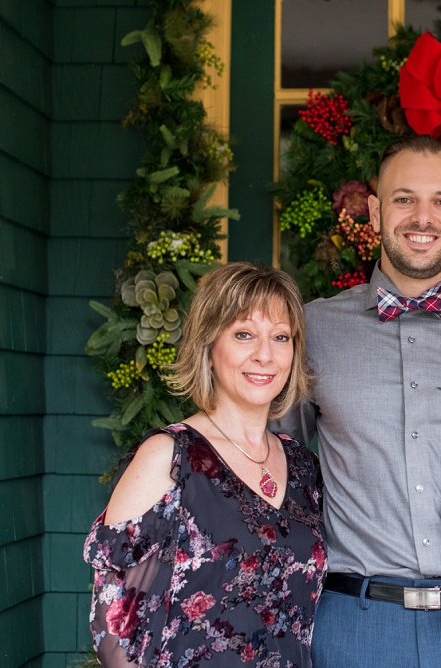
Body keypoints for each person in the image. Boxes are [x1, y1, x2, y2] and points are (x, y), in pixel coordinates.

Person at [277, 135, 441, 667]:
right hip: (352, 630)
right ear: (375, 211)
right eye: (404, 199)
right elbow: (264, 462)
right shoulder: (312, 328)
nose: (423, 217)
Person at [83, 262, 326, 667]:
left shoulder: (302, 466)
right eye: (244, 334)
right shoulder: (170, 457)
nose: (265, 355)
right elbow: (113, 631)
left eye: (280, 337)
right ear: (209, 347)